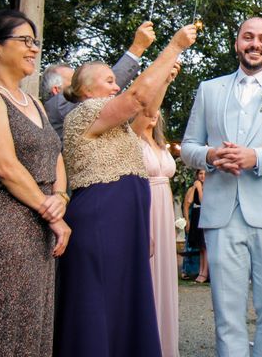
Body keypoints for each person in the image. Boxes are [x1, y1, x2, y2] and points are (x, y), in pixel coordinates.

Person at [54, 23, 196, 357]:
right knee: (98, 302)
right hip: (100, 221)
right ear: (86, 90)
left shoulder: (116, 128)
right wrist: (173, 46)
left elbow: (147, 109)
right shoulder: (84, 113)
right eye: (108, 80)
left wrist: (163, 78)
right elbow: (135, 98)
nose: (116, 85)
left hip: (125, 222)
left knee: (124, 302)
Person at [181, 16, 262, 357]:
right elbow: (188, 147)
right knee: (227, 313)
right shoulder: (209, 89)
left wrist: (258, 158)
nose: (255, 44)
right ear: (237, 42)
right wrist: (210, 155)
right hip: (220, 212)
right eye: (248, 37)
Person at [0, 10, 71, 356]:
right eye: (24, 40)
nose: (34, 49)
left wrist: (62, 198)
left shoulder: (36, 104)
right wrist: (52, 213)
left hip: (39, 223)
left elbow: (55, 156)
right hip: (3, 224)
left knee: (34, 320)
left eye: (35, 41)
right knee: (1, 321)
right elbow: (6, 166)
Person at [41, 21, 155, 140]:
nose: (116, 88)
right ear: (56, 90)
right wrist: (137, 47)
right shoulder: (58, 106)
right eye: (74, 83)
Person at [132, 85, 181, 357]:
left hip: (165, 210)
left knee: (164, 271)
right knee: (147, 273)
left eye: (156, 108)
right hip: (144, 205)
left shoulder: (162, 145)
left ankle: (165, 343)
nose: (152, 113)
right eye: (147, 108)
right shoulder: (132, 140)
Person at [182, 169, 208, 283]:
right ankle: (201, 271)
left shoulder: (209, 188)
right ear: (197, 175)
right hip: (196, 216)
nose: (202, 176)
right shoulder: (195, 186)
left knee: (205, 246)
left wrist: (199, 188)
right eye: (200, 174)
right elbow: (189, 200)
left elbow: (203, 202)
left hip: (206, 216)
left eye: (205, 174)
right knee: (201, 247)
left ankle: (205, 273)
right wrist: (194, 187)